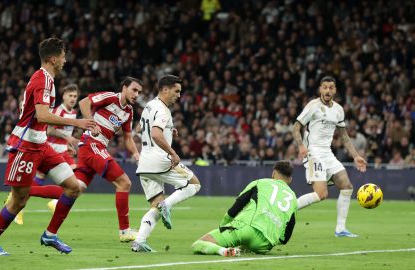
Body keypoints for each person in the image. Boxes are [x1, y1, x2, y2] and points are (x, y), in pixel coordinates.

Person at [0, 38, 97, 256]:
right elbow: (43, 115)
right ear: (53, 58)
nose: (65, 59)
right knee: (19, 201)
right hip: (25, 146)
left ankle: (50, 235)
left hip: (41, 144)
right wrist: (77, 122)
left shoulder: (48, 80)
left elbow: (41, 117)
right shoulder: (43, 80)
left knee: (74, 187)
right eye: (63, 55)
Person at [23, 77, 143, 242]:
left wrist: (136, 155)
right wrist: (91, 123)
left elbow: (128, 137)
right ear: (124, 88)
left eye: (139, 92)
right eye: (134, 90)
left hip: (94, 148)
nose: (137, 94)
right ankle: (124, 231)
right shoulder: (110, 97)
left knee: (74, 190)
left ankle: (25, 190)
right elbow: (84, 102)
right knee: (124, 183)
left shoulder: (128, 112)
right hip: (92, 145)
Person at [131, 75, 201, 252]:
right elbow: (155, 133)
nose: (178, 95)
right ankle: (166, 206)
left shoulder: (149, 105)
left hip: (144, 163)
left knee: (155, 206)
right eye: (176, 91)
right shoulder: (163, 110)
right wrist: (172, 152)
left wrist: (169, 129)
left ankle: (139, 241)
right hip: (160, 160)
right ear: (165, 90)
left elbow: (140, 129)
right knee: (194, 184)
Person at [293, 76, 367, 238]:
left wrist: (356, 156)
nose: (328, 90)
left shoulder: (339, 110)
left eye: (331, 88)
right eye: (325, 87)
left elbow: (344, 136)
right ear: (320, 89)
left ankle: (340, 229)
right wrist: (301, 145)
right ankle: (286, 209)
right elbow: (296, 126)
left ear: (335, 90)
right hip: (313, 153)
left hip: (327, 153)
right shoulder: (313, 106)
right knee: (321, 195)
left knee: (347, 187)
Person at [10, 83, 81, 225]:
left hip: (62, 149)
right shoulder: (57, 111)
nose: (73, 99)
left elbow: (65, 133)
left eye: (75, 96)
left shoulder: (73, 113)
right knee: (76, 179)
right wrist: (67, 138)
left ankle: (18, 201)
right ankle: (53, 202)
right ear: (64, 97)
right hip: (51, 148)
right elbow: (48, 130)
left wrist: (67, 144)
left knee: (41, 179)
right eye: (70, 96)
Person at [192, 161, 296, 257]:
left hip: (246, 228)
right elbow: (285, 237)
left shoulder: (260, 183)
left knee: (198, 244)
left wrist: (223, 226)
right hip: (265, 244)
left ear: (273, 173)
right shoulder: (293, 198)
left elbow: (237, 206)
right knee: (244, 246)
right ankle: (241, 248)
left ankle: (223, 251)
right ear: (290, 179)